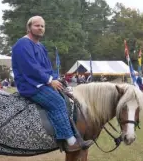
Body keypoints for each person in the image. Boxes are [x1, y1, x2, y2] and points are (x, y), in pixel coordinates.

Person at [11, 16, 94, 152]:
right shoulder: (22, 45)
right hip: (30, 85)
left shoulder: (41, 47)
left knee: (68, 98)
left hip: (42, 83)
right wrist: (49, 81)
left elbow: (48, 68)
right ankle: (70, 142)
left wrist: (57, 79)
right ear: (29, 27)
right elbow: (31, 67)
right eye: (37, 26)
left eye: (42, 26)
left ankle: (75, 133)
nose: (40, 28)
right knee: (57, 102)